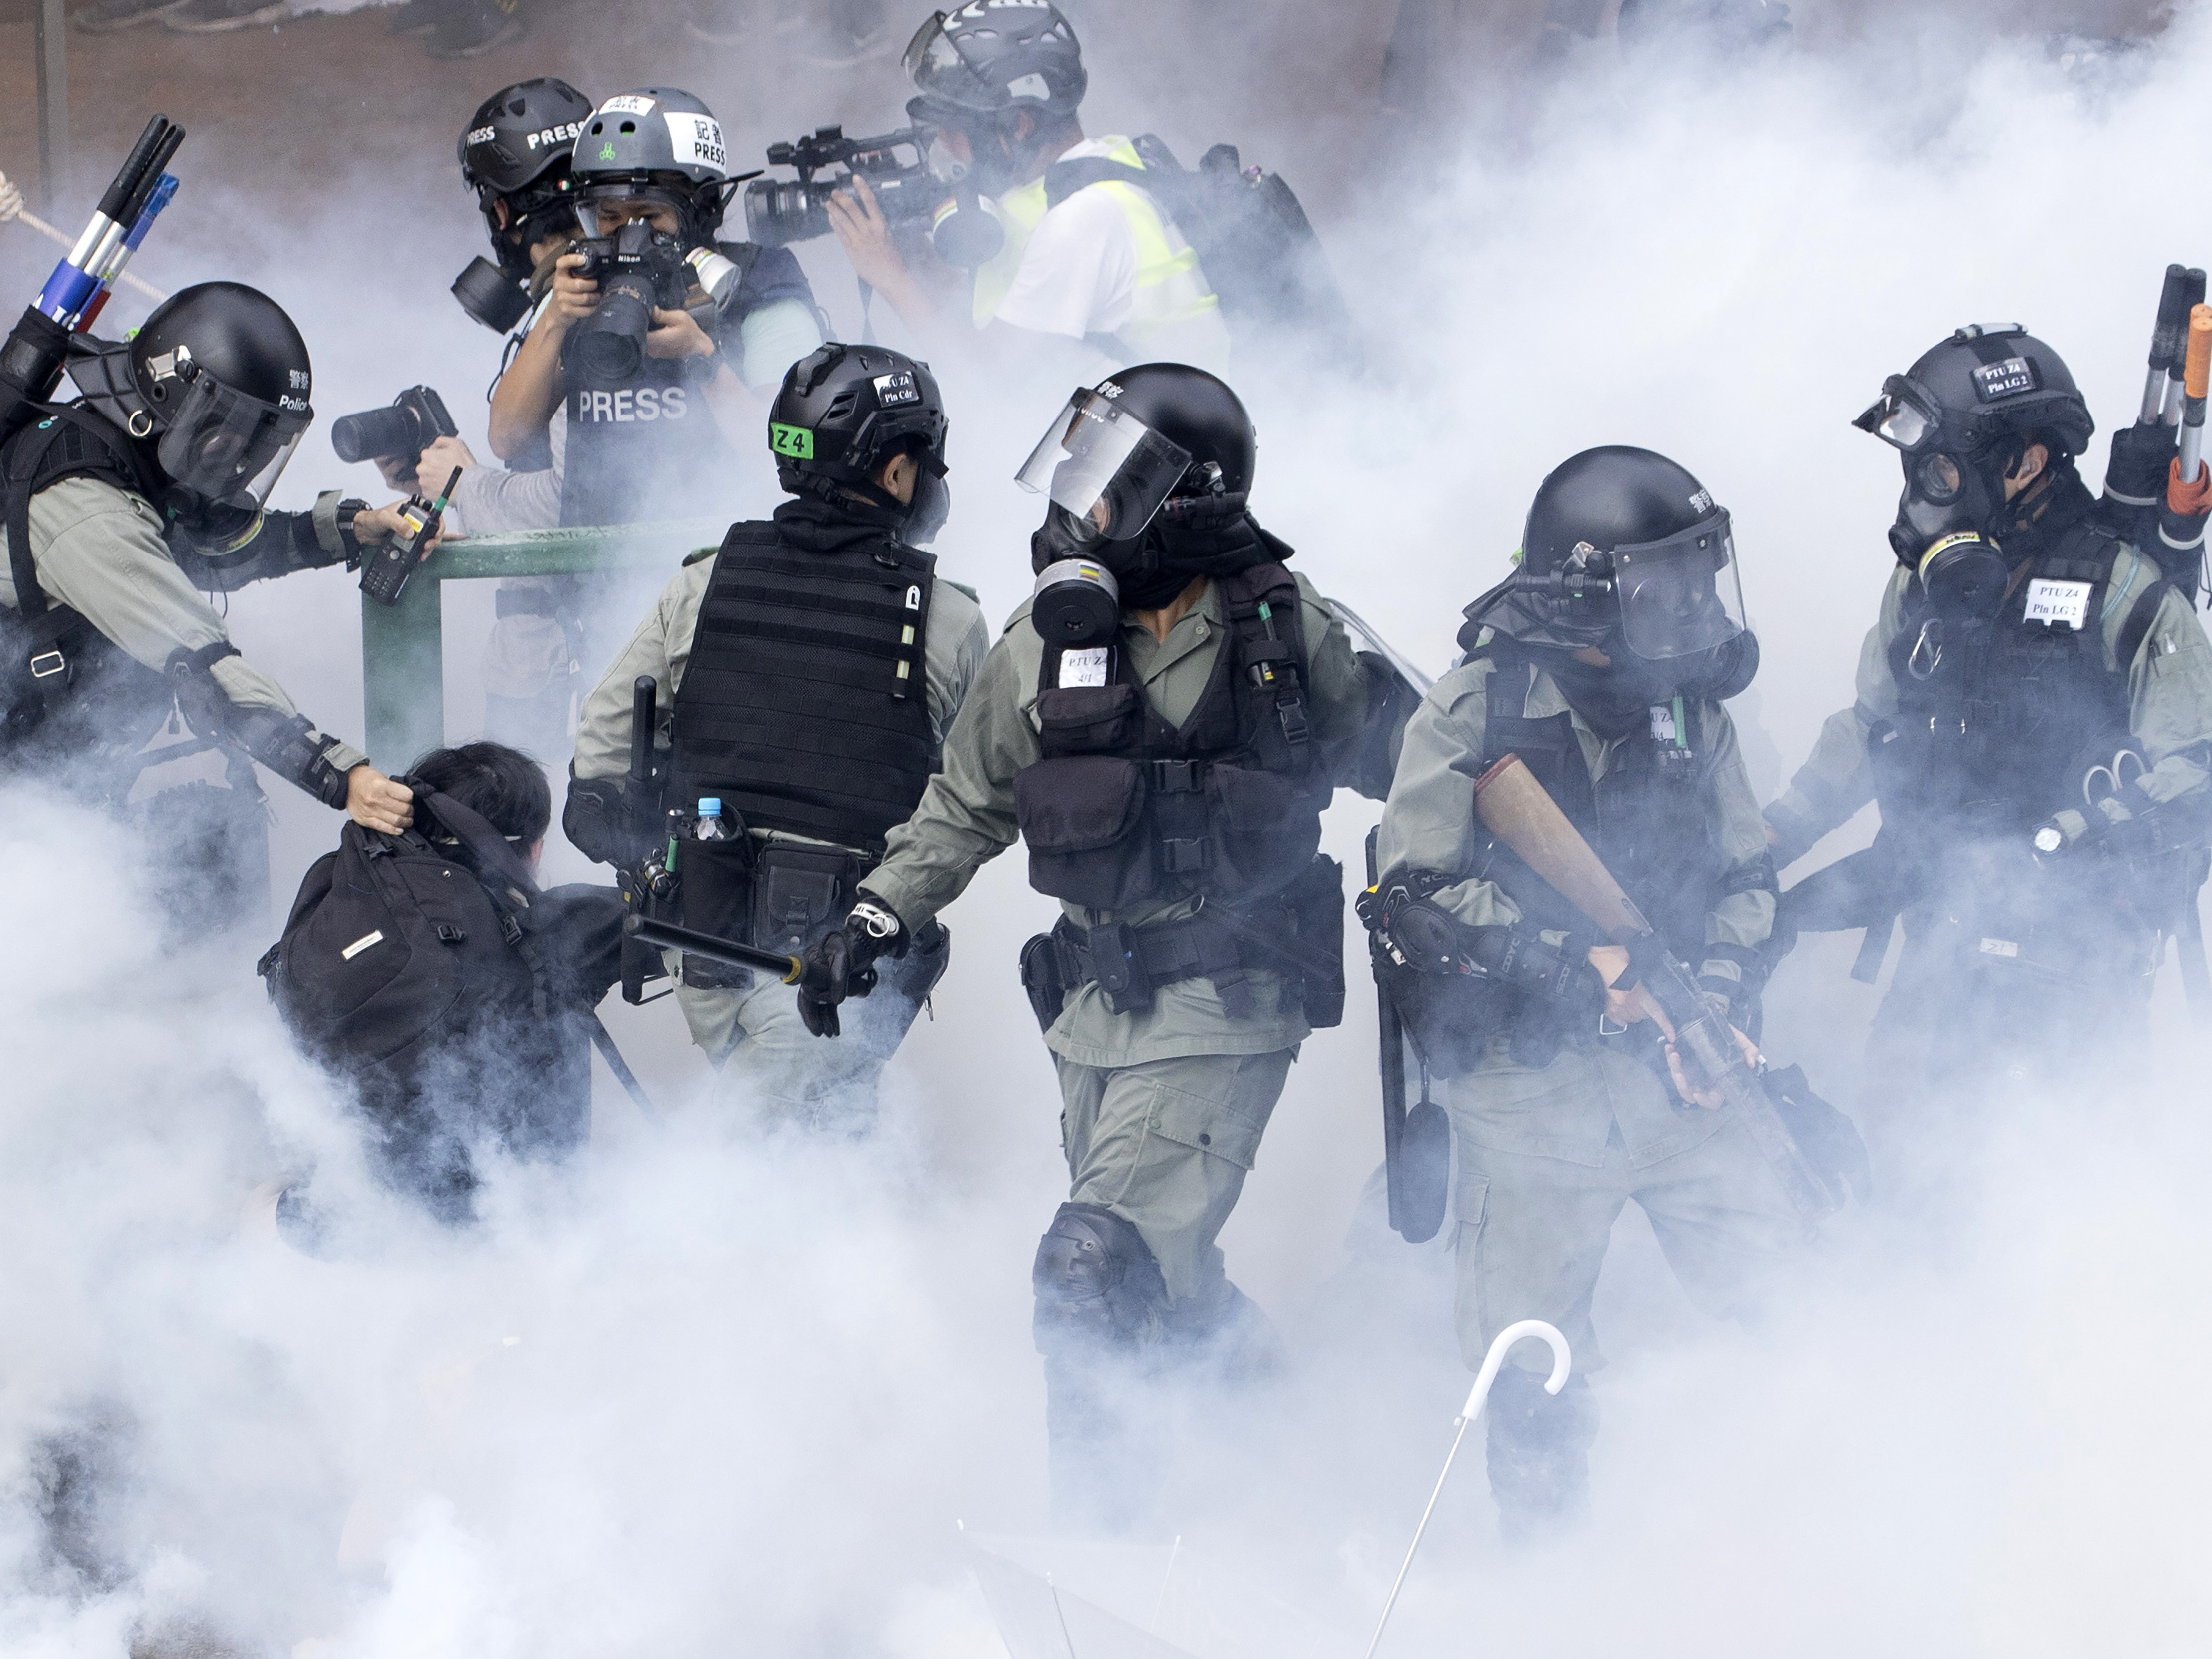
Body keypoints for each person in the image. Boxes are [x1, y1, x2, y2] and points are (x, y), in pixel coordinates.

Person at [794, 362, 1403, 1530]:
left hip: (1229, 1000)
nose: (1081, 510)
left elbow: (1406, 759)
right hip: (1093, 1016)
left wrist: (1266, 574)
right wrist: (874, 915)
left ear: (1185, 500)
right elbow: (962, 805)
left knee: (1090, 1270)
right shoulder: (1044, 637)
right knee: (1163, 1286)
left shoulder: (1280, 626)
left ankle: (1100, 1562)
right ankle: (1301, 1465)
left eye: (1112, 486)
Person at [1366, 444, 1800, 1543]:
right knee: (1534, 1376)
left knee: (1797, 1309)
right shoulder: (1476, 711)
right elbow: (1411, 899)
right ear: (1583, 604)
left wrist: (1715, 998)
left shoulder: (1695, 714)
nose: (1695, 611)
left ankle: (1793, 1550)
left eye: (1698, 580)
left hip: (1678, 1080)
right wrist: (1578, 971)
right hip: (1527, 1097)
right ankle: (1550, 1596)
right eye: (1666, 591)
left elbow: (1749, 882)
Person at [1766, 325, 2212, 1176]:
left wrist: (2081, 838)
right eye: (1921, 469)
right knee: (1907, 1171)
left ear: (2027, 461)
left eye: (1945, 469)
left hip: (2076, 970)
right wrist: (1766, 843)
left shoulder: (2123, 589)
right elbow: (1867, 730)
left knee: (2063, 1190)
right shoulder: (1925, 583)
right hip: (1937, 940)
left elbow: (2194, 774)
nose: (1929, 492)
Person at [563, 343, 987, 1128]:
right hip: (840, 969)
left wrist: (649, 855)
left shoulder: (703, 581)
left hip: (700, 948)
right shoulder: (948, 620)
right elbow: (971, 807)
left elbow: (599, 758)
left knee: (809, 1152)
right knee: (760, 1183)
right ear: (895, 473)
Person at [2, 282, 417, 872]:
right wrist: (337, 774)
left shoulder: (133, 455)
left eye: (259, 441)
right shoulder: (85, 506)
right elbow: (201, 665)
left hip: (50, 755)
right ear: (175, 401)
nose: (242, 460)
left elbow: (219, 548)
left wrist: (354, 528)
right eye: (232, 438)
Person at [264, 741, 628, 1226]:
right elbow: (699, 919)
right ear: (531, 848)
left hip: (337, 1216)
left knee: (268, 1203)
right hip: (501, 1237)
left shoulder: (345, 887)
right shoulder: (553, 932)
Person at [824, 1, 1231, 377]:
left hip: (1171, 446)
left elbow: (988, 380)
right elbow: (983, 325)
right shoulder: (1097, 174)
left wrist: (888, 275)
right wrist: (910, 253)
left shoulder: (1083, 219)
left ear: (1018, 125)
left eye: (955, 128)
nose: (943, 145)